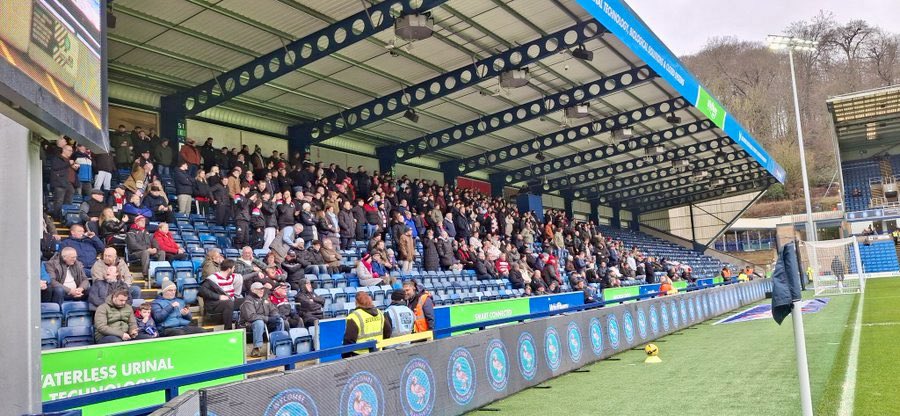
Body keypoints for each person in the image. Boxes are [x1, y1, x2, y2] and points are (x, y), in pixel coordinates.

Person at [240, 282, 285, 357]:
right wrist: (268, 319)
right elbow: (251, 317)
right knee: (259, 322)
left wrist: (276, 316)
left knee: (279, 320)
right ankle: (256, 348)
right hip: (247, 324)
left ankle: (278, 344)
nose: (262, 291)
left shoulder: (265, 298)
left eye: (262, 289)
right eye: (259, 289)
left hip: (264, 322)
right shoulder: (248, 301)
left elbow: (273, 310)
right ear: (253, 290)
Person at [343, 291, 391, 356]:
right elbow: (388, 331)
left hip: (359, 355)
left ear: (356, 302)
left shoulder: (354, 316)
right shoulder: (380, 313)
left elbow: (349, 340)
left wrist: (345, 355)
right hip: (378, 352)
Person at [200, 259, 243, 330]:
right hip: (214, 304)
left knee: (246, 300)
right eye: (233, 268)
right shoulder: (213, 278)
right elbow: (202, 291)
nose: (234, 270)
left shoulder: (231, 277)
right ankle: (228, 329)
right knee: (228, 303)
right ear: (229, 269)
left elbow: (244, 278)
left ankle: (242, 325)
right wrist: (218, 296)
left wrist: (256, 274)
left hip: (230, 301)